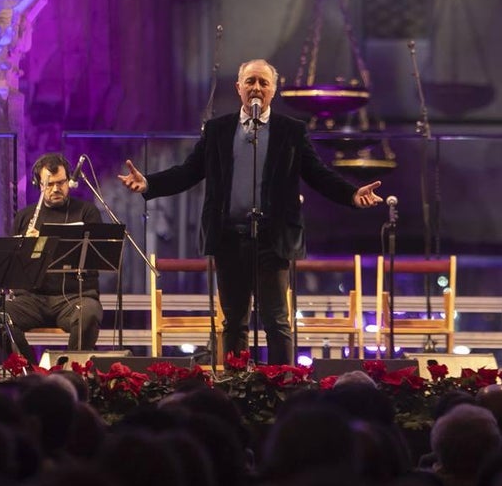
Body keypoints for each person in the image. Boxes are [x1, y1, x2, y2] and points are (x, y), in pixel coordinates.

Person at [118, 58, 384, 365]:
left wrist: (352, 193)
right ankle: (236, 386)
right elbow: (189, 172)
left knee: (277, 321)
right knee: (233, 321)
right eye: (250, 82)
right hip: (229, 237)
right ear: (239, 87)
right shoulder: (217, 130)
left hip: (274, 240)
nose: (256, 88)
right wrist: (149, 183)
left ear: (274, 89)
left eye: (263, 82)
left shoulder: (291, 131)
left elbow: (318, 174)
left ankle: (282, 387)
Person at [0, 153, 103, 362]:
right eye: (49, 184)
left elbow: (95, 259)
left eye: (61, 183)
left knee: (90, 313)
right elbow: (14, 270)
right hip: (33, 299)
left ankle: (73, 372)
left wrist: (45, 243)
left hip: (74, 297)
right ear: (38, 184)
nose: (56, 189)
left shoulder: (87, 212)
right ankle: (29, 371)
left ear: (69, 181)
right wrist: (25, 249)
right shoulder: (25, 217)